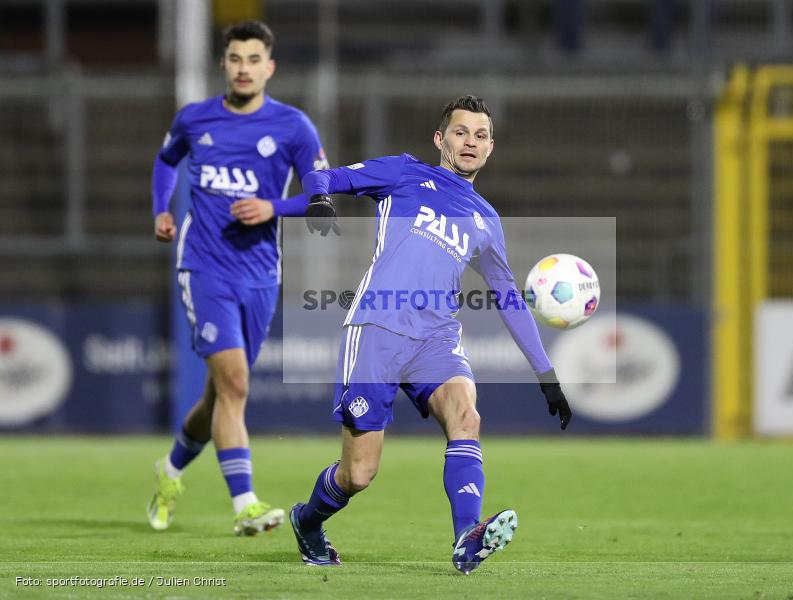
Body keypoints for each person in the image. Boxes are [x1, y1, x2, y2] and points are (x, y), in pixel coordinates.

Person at [290, 95, 572, 573]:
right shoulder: (402, 173)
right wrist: (319, 198)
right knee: (359, 474)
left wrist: (546, 373)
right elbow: (327, 175)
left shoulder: (486, 219)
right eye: (461, 133)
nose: (470, 142)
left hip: (436, 338)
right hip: (377, 328)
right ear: (441, 140)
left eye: (480, 136)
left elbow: (506, 295)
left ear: (490, 149)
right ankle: (308, 521)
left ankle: (467, 536)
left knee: (466, 417)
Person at [147, 20, 329, 535]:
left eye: (254, 59)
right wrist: (162, 208)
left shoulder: (294, 127)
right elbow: (166, 162)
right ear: (223, 65)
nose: (244, 68)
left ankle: (172, 469)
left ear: (269, 68)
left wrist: (273, 206)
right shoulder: (194, 118)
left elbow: (321, 197)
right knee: (236, 384)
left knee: (219, 395)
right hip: (204, 267)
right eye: (235, 58)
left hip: (260, 275)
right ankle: (245, 503)